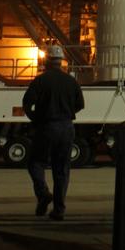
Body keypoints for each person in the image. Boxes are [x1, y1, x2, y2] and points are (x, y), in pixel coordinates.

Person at [22, 44, 85, 221]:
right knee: (62, 169)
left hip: (46, 127)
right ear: (61, 61)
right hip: (66, 128)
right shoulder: (71, 81)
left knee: (36, 163)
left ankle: (43, 194)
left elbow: (27, 104)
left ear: (47, 61)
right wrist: (66, 112)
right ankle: (59, 210)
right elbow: (80, 105)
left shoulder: (41, 80)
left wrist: (36, 118)